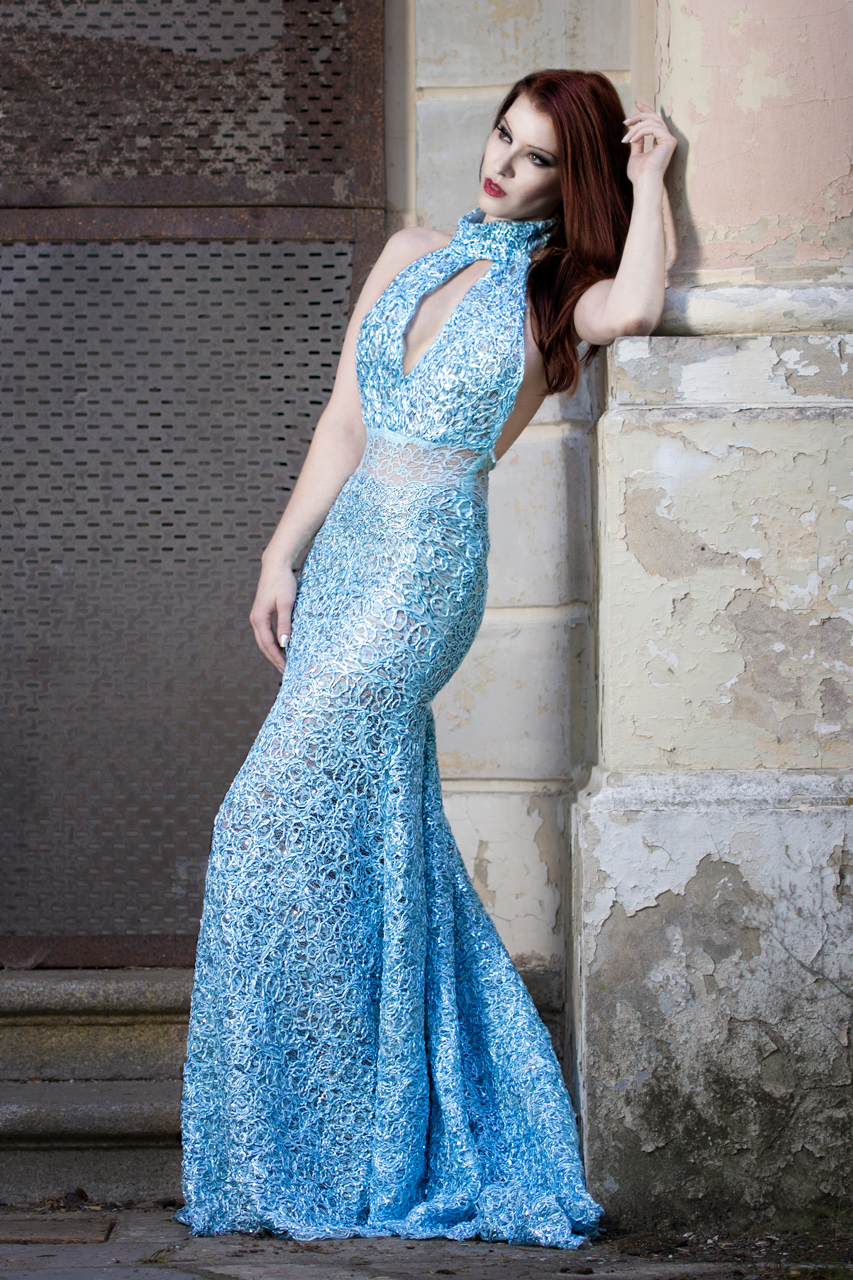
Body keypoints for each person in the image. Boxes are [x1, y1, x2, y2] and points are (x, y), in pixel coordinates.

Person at [176, 69, 676, 1248]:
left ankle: (315, 1136)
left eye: (535, 155)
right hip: (346, 555)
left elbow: (640, 307)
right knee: (379, 845)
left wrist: (650, 179)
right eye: (501, 136)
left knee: (257, 820)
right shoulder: (408, 250)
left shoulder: (561, 294)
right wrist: (279, 554)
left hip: (424, 571)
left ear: (570, 177)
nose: (500, 163)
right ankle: (352, 1129)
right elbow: (344, 422)